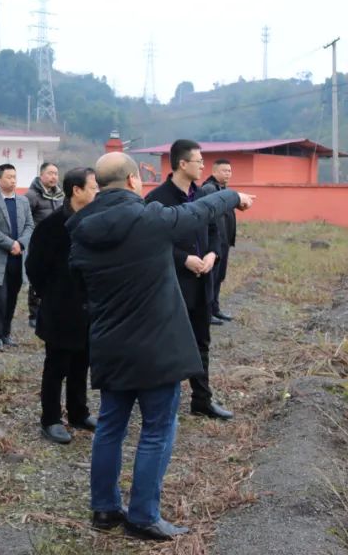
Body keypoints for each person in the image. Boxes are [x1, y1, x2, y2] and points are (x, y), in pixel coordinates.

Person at [69, 152, 253, 540]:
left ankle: (104, 509)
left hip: (109, 343)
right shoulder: (149, 218)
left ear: (99, 185)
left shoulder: (80, 228)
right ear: (133, 180)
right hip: (156, 346)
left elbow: (78, 287)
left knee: (110, 427)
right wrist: (233, 196)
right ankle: (143, 516)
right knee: (156, 430)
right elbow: (199, 211)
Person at [144, 139, 232, 420]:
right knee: (168, 344)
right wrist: (183, 258)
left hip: (202, 281)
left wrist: (212, 254)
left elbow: (214, 230)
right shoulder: (157, 199)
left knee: (201, 342)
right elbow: (150, 242)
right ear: (182, 164)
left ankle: (202, 399)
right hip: (171, 285)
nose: (204, 166)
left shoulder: (202, 196)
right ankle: (159, 402)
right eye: (199, 161)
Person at [25, 167, 99, 445]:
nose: (98, 192)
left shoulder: (95, 221)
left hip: (88, 306)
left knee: (82, 362)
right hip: (59, 308)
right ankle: (51, 419)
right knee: (56, 366)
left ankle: (79, 412)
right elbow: (35, 267)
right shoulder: (52, 226)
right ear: (76, 191)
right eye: (93, 187)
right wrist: (53, 294)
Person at [0, 163, 34, 351]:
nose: (13, 180)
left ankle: (6, 333)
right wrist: (11, 244)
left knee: (12, 298)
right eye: (9, 177)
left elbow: (29, 226)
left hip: (18, 259)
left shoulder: (23, 201)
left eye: (14, 177)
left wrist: (21, 243)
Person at [24, 162, 63, 328]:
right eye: (50, 173)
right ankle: (34, 314)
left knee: (55, 278)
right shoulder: (32, 196)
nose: (53, 177)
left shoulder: (60, 195)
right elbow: (25, 220)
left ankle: (51, 312)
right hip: (38, 244)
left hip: (57, 244)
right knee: (37, 279)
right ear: (41, 175)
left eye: (56, 174)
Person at [200, 159, 236, 323]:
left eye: (229, 171)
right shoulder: (208, 189)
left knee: (219, 276)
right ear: (214, 172)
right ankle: (206, 313)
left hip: (224, 241)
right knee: (211, 277)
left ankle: (215, 309)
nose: (228, 173)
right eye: (224, 170)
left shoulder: (223, 190)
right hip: (213, 243)